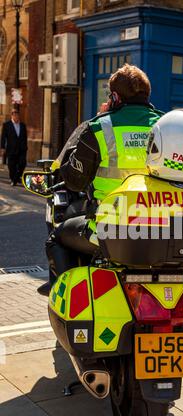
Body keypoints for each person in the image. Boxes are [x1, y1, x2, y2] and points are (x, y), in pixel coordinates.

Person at [41, 64, 164, 295]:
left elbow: (74, 181)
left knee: (56, 239)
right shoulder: (166, 125)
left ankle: (68, 296)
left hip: (110, 231)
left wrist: (100, 118)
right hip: (160, 229)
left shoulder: (100, 128)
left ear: (115, 97)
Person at [1, 109, 28, 186]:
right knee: (11, 166)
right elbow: (3, 137)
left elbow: (25, 137)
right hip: (11, 149)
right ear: (12, 116)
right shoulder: (6, 125)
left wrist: (26, 147)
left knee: (22, 164)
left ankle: (16, 178)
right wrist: (2, 147)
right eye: (14, 115)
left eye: (17, 115)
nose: (16, 116)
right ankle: (14, 179)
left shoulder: (23, 125)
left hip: (21, 149)